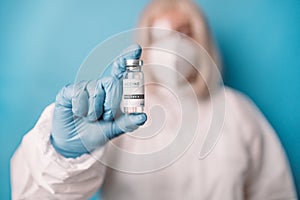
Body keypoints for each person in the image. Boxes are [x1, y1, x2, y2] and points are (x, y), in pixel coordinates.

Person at [10, 0, 297, 199]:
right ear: (145, 45)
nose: (174, 45)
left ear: (202, 42)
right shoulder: (123, 112)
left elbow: (274, 192)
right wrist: (64, 155)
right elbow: (40, 197)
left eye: (184, 33)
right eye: (161, 35)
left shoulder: (237, 111)